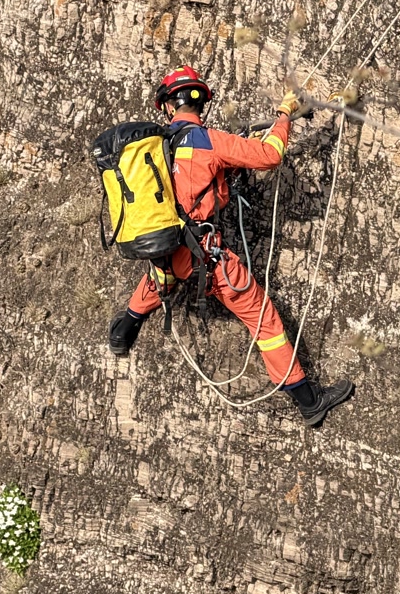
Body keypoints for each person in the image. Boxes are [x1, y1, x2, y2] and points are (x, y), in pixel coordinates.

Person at [108, 65, 356, 429]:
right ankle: (309, 401)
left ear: (168, 107)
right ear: (201, 104)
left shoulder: (156, 148)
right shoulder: (209, 140)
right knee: (264, 319)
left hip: (168, 249)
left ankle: (123, 330)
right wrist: (284, 114)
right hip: (205, 255)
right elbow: (269, 154)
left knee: (162, 277)